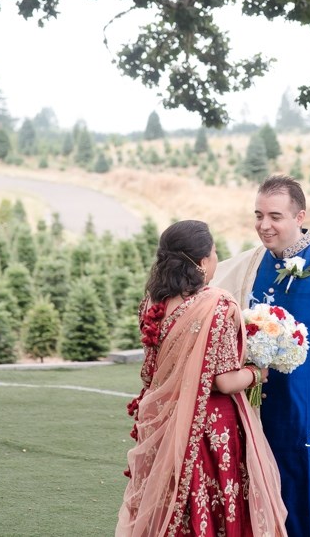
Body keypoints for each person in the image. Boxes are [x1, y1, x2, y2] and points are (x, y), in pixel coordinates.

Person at [213, 176, 310, 537]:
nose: (264, 225)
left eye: (275, 216)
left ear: (300, 215)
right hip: (256, 414)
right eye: (258, 215)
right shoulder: (251, 268)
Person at [116, 219, 288, 537]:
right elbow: (223, 381)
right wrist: (256, 373)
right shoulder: (215, 305)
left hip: (166, 420)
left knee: (172, 510)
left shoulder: (152, 303)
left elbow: (153, 370)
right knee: (214, 506)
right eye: (214, 252)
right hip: (209, 427)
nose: (217, 258)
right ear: (201, 262)